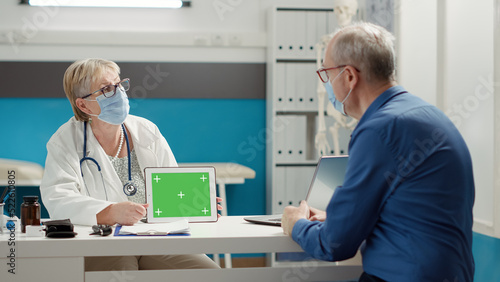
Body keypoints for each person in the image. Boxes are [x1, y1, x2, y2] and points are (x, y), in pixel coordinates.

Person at [281, 22, 475, 281]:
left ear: (349, 76)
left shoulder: (379, 129)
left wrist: (296, 225)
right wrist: (338, 218)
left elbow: (335, 244)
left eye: (327, 74)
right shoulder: (425, 114)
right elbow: (417, 208)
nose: (327, 85)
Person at [40, 58, 221, 271]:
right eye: (106, 89)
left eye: (119, 84)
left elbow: (171, 185)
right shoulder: (65, 141)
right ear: (83, 104)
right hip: (100, 241)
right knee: (123, 273)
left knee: (209, 273)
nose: (119, 93)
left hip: (155, 239)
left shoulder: (147, 130)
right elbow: (59, 200)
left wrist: (195, 205)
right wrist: (110, 212)